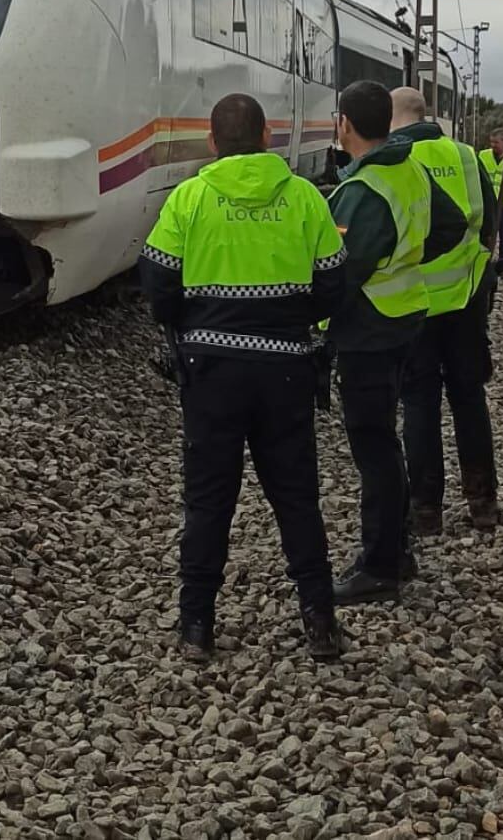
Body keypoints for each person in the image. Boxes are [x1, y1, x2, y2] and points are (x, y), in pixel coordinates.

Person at [140, 92, 347, 661]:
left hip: (212, 374)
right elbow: (333, 281)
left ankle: (196, 627)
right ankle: (321, 621)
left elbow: (157, 283)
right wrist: (296, 321)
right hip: (285, 370)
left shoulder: (191, 198)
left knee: (209, 500)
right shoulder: (305, 198)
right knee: (296, 497)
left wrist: (188, 323)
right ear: (267, 139)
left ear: (213, 142)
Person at [325, 81, 466, 605]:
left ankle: (381, 563)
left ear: (344, 124)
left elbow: (342, 275)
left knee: (375, 444)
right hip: (408, 318)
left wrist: (313, 325)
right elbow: (450, 225)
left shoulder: (362, 192)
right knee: (387, 438)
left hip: (370, 331)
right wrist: (407, 255)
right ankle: (399, 549)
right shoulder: (410, 169)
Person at [391, 87, 500, 532]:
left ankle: (426, 509)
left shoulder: (394, 163)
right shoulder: (467, 158)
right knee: (469, 397)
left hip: (412, 302)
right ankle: (483, 503)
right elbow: (490, 225)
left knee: (419, 403)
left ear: (395, 119)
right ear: (428, 115)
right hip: (465, 300)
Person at [478, 128, 503, 274]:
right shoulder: (483, 155)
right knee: (485, 232)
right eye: (491, 141)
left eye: (496, 142)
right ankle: (483, 260)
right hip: (487, 202)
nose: (493, 145)